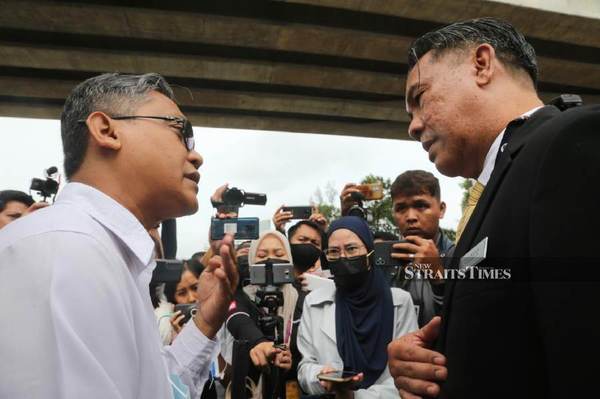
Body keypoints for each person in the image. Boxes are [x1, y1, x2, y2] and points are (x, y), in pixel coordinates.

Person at [387, 18, 600, 398]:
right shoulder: (496, 186)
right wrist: (431, 361)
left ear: (481, 65)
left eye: (419, 98)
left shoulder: (570, 144)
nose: (413, 127)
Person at [0, 73, 238, 398]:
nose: (196, 155)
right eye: (179, 131)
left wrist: (206, 322)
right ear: (106, 131)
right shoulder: (66, 248)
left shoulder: (106, 252)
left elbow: (155, 388)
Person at [297, 216, 418, 398]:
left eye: (352, 249)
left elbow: (407, 373)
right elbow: (305, 367)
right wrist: (321, 377)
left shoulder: (400, 302)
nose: (343, 257)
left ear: (370, 253)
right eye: (334, 251)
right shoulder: (314, 302)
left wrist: (355, 397)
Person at [222, 230, 296, 397]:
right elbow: (236, 317)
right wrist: (258, 342)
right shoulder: (239, 295)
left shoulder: (302, 297)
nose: (269, 259)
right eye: (261, 255)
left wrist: (288, 361)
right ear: (251, 261)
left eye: (278, 253)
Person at [389, 170, 455, 327]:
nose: (411, 216)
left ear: (441, 209)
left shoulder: (460, 257)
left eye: (421, 206)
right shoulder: (385, 260)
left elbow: (467, 321)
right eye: (401, 208)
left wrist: (438, 278)